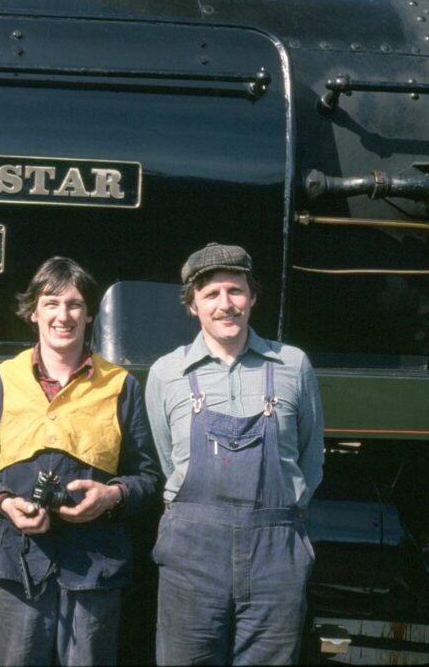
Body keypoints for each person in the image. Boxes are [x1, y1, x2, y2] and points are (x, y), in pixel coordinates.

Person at [0, 256, 161, 666]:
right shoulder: (0, 380)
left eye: (74, 305)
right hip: (15, 565)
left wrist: (111, 495)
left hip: (94, 567)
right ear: (33, 312)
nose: (62, 315)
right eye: (51, 303)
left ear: (89, 317)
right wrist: (4, 504)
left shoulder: (121, 385)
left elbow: (149, 479)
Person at [145, 243, 324, 665]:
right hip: (191, 555)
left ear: (253, 297)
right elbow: (165, 462)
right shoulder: (166, 373)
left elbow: (310, 461)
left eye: (235, 291)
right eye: (210, 294)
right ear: (192, 306)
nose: (226, 305)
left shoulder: (293, 365)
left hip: (275, 555)